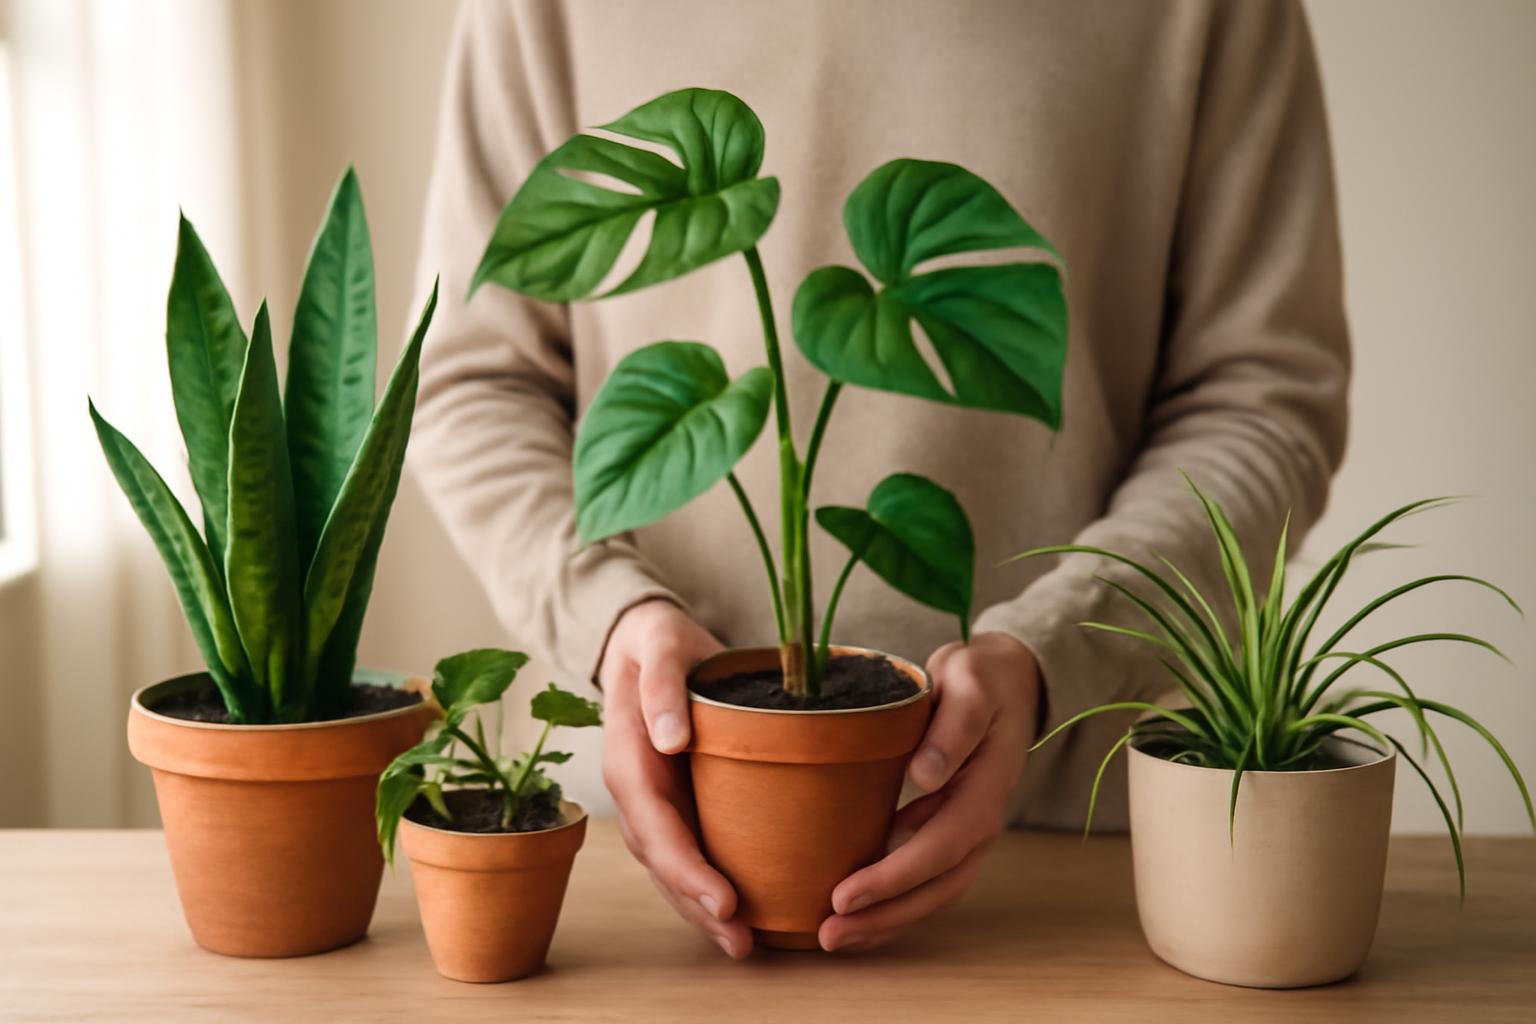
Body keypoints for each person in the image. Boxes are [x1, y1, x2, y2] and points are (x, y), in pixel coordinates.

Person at [409, 0, 1348, 958]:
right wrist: (612, 619)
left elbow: (1263, 401)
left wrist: (1056, 649)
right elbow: (471, 382)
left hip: (1072, 860)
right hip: (651, 857)